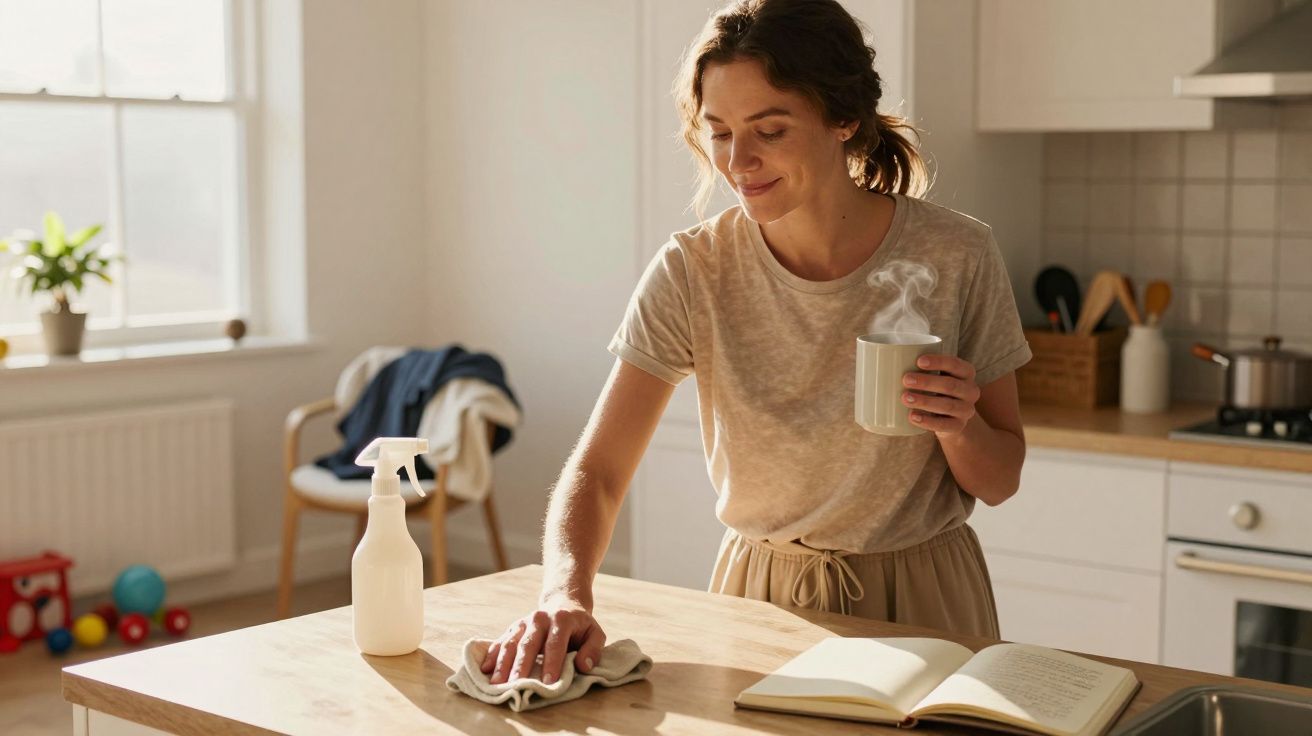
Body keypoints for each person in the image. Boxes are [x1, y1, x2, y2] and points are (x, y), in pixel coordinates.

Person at [481, 0, 1031, 686]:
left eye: (770, 129)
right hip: (762, 598)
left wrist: (959, 427)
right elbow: (599, 471)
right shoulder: (693, 271)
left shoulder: (958, 253)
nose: (739, 161)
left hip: (925, 596)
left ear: (843, 119)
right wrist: (565, 592)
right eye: (718, 132)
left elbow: (1001, 477)